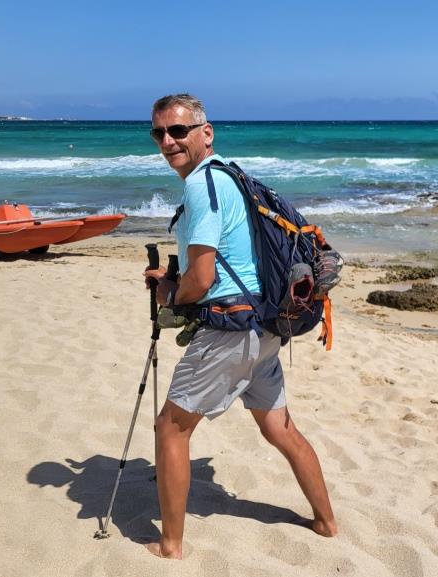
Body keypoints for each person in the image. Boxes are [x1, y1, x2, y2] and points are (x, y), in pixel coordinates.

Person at [142, 94, 337, 559]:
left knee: (171, 428)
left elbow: (201, 279)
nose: (168, 142)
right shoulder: (231, 176)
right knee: (281, 429)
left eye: (178, 131)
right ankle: (326, 522)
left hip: (229, 331)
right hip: (264, 326)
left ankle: (170, 545)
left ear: (205, 133)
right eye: (158, 133)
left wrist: (169, 293)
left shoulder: (202, 186)